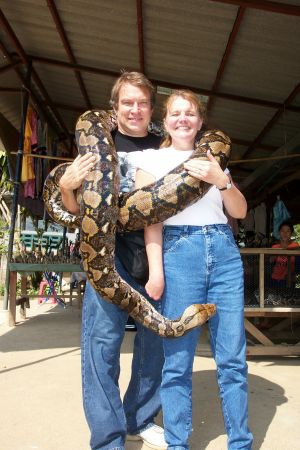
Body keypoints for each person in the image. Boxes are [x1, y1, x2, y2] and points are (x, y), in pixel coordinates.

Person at [135, 89, 253, 449]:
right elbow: (149, 222)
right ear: (165, 120)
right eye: (176, 113)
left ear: (200, 121)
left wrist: (222, 180)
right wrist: (156, 272)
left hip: (223, 252)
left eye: (190, 113)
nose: (183, 118)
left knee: (232, 358)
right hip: (178, 252)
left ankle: (240, 442)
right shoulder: (150, 162)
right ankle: (177, 443)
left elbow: (240, 212)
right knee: (177, 361)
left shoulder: (214, 160)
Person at [59, 72, 166, 450]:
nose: (134, 109)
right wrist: (66, 186)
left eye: (141, 103)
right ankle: (107, 436)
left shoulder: (165, 143)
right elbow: (74, 211)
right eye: (127, 102)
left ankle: (141, 416)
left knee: (155, 341)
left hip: (157, 252)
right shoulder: (94, 142)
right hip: (107, 253)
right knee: (102, 344)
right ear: (114, 107)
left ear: (151, 108)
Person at [271, 221, 299, 287]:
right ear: (279, 233)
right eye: (282, 231)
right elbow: (271, 260)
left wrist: (284, 247)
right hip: (274, 278)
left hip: (289, 279)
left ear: (291, 233)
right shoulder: (275, 247)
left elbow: (297, 249)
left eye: (288, 231)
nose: (285, 233)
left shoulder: (295, 245)